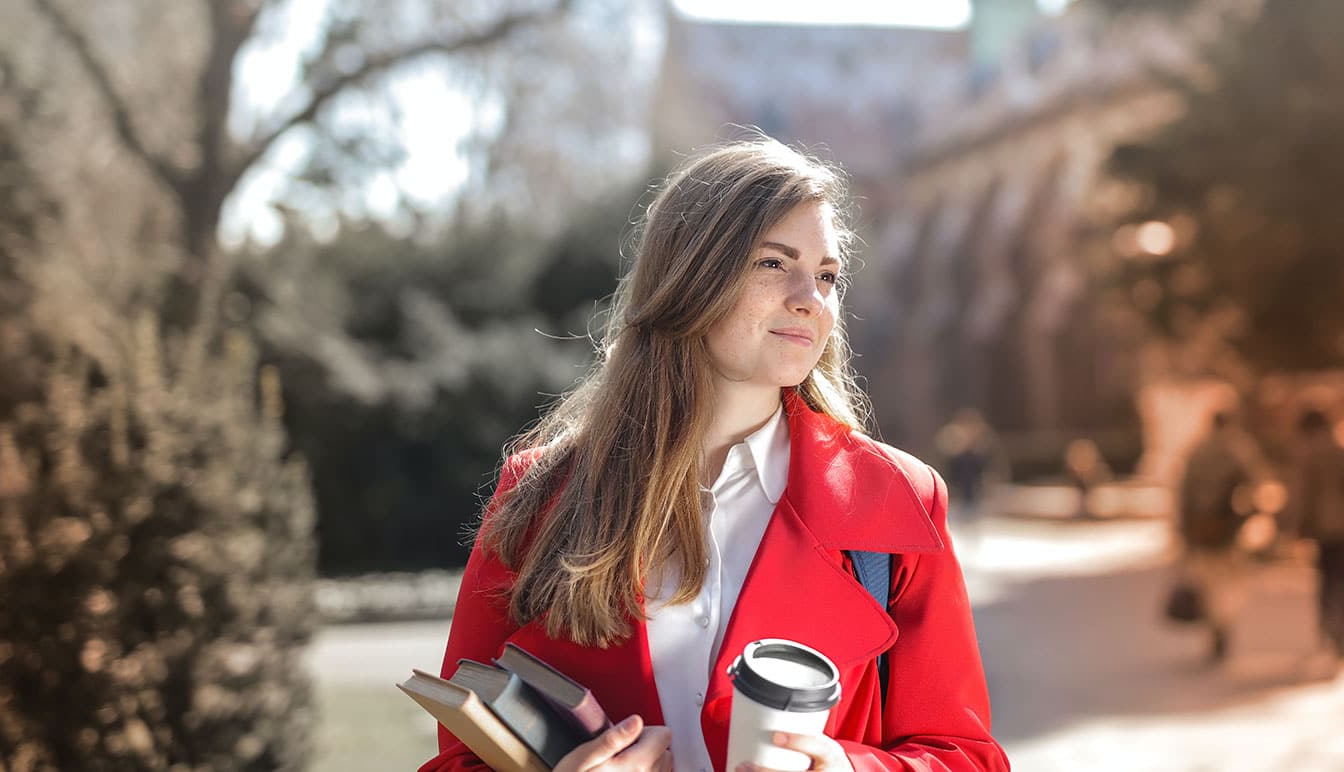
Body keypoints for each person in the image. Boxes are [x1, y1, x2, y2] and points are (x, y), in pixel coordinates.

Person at [421, 139, 1008, 772]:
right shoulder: (539, 494)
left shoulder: (897, 501)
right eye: (774, 264)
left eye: (828, 275)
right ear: (691, 278)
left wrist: (850, 769)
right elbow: (460, 755)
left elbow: (966, 755)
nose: (811, 297)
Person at [1287, 408, 1344, 659]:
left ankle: (1328, 629)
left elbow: (1301, 495)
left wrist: (1297, 527)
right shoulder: (1343, 448)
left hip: (1321, 529)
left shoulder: (1305, 454)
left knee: (1326, 582)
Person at [1175, 411, 1255, 663]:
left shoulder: (1197, 452)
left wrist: (1184, 529)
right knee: (1227, 580)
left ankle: (1215, 625)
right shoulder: (1237, 450)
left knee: (1207, 581)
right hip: (1225, 528)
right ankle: (1223, 624)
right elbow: (1253, 485)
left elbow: (1183, 493)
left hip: (1199, 528)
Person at [934, 407, 997, 526]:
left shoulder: (979, 447)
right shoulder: (955, 446)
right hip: (959, 492)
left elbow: (986, 466)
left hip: (974, 492)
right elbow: (948, 467)